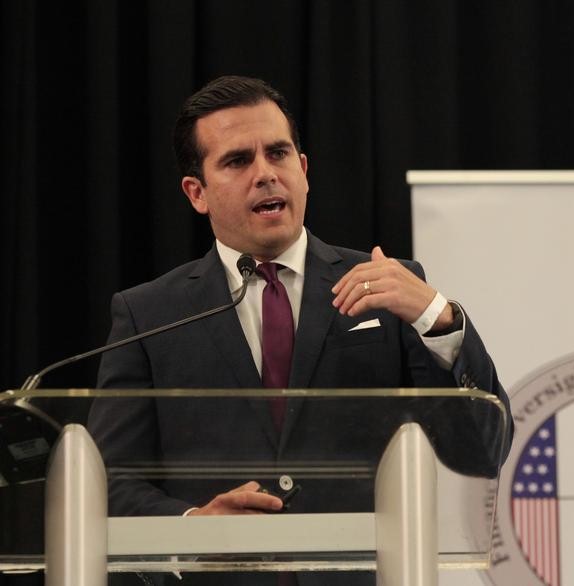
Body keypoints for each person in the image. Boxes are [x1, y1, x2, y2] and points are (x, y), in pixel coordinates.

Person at [88, 75, 512, 585]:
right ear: (196, 192)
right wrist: (191, 528)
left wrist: (439, 318)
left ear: (304, 170)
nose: (265, 174)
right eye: (238, 160)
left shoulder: (389, 288)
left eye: (279, 153)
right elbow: (108, 483)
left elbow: (483, 450)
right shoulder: (149, 314)